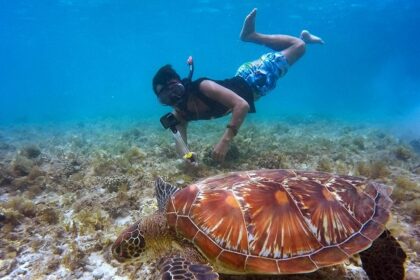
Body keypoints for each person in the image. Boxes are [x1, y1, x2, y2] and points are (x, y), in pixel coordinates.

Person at [152, 8, 324, 163]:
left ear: (183, 83)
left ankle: (251, 36)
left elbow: (241, 105)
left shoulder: (203, 87)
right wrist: (188, 160)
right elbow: (180, 143)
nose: (174, 98)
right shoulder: (180, 114)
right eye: (166, 97)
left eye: (175, 90)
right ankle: (305, 38)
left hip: (255, 78)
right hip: (246, 80)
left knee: (298, 48)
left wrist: (225, 141)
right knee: (293, 51)